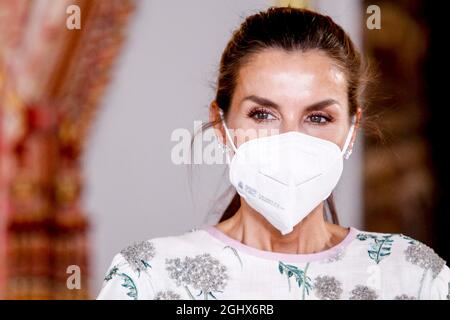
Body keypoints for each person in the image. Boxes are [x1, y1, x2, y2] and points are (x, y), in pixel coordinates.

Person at [97, 6, 450, 300]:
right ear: (221, 126)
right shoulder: (148, 278)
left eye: (318, 117)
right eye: (263, 115)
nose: (290, 140)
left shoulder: (412, 274)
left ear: (352, 130)